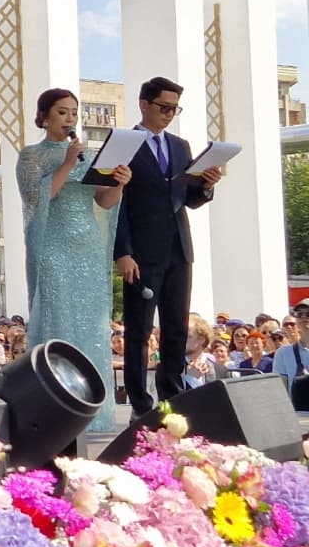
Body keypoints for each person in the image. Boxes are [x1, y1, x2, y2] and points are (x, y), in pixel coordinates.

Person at [16, 88, 131, 431]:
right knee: (58, 318)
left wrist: (119, 183)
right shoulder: (32, 155)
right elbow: (37, 199)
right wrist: (67, 163)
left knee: (91, 327)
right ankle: (56, 405)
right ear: (44, 117)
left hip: (88, 247)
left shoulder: (90, 155)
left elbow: (103, 201)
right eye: (62, 112)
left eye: (73, 113)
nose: (70, 119)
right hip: (52, 246)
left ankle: (91, 408)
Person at [115, 77, 222, 422]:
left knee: (176, 327)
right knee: (139, 330)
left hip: (179, 248)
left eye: (175, 109)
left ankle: (172, 397)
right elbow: (117, 205)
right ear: (144, 104)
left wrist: (206, 186)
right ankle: (140, 403)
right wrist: (122, 252)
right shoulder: (123, 144)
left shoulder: (179, 146)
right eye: (164, 107)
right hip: (141, 252)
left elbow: (187, 198)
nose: (169, 114)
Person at [272, 300, 309, 403]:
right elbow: (280, 393)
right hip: (298, 411)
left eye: (308, 313)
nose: (304, 317)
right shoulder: (283, 354)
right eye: (299, 314)